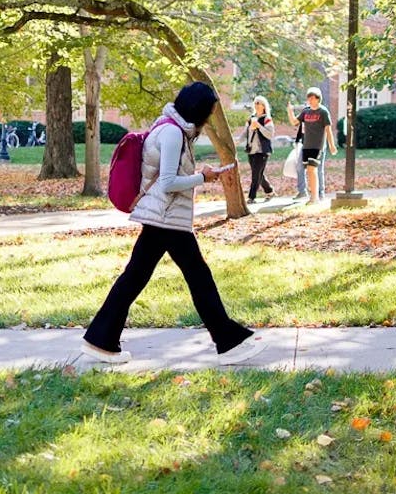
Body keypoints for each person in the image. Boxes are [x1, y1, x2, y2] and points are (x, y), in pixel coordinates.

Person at [82, 82, 266, 365]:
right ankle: (228, 340)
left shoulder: (173, 128)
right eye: (209, 112)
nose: (209, 118)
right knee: (195, 277)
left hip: (165, 218)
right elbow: (168, 183)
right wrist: (202, 178)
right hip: (166, 218)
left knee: (138, 277)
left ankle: (100, 338)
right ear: (199, 110)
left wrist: (207, 175)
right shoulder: (172, 133)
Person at [286, 87, 337, 204]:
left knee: (312, 169)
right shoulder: (305, 111)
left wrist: (332, 145)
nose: (310, 100)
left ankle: (315, 197)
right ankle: (314, 196)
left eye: (313, 98)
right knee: (309, 171)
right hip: (306, 146)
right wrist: (290, 111)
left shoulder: (323, 112)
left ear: (318, 99)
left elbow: (328, 130)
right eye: (309, 98)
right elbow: (294, 122)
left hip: (317, 146)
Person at [244, 95, 275, 203]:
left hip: (262, 151)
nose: (256, 105)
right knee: (258, 174)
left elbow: (270, 134)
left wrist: (259, 126)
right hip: (251, 150)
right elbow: (245, 132)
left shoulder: (267, 119)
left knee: (255, 175)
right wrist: (236, 141)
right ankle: (270, 191)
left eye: (258, 103)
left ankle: (251, 197)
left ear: (263, 106)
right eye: (255, 103)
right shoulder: (251, 118)